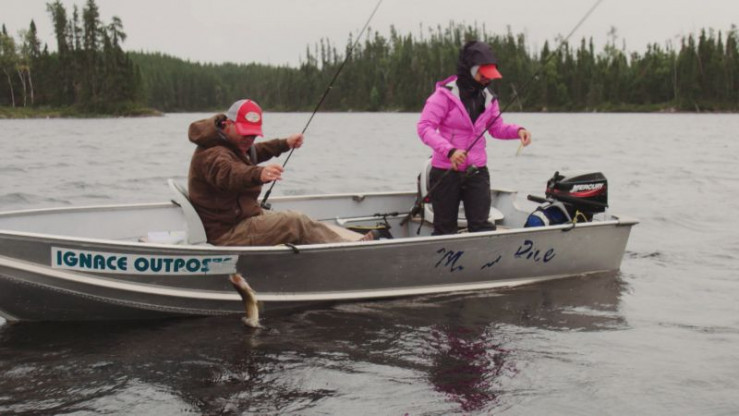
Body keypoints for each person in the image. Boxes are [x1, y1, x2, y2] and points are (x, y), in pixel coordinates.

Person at [187, 99, 375, 246]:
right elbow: (229, 173)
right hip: (227, 233)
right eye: (245, 133)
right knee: (295, 222)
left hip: (239, 218)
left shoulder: (229, 143)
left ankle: (340, 244)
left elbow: (254, 151)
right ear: (228, 124)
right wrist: (258, 173)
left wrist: (285, 143)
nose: (249, 139)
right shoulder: (213, 154)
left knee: (299, 220)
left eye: (253, 134)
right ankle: (347, 248)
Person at [417, 40, 532, 235]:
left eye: (490, 76)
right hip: (446, 170)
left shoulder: (489, 98)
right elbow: (424, 127)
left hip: (477, 171)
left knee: (481, 226)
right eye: (483, 75)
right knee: (444, 228)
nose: (487, 80)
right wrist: (450, 151)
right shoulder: (444, 95)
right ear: (470, 69)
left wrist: (517, 131)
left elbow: (496, 128)